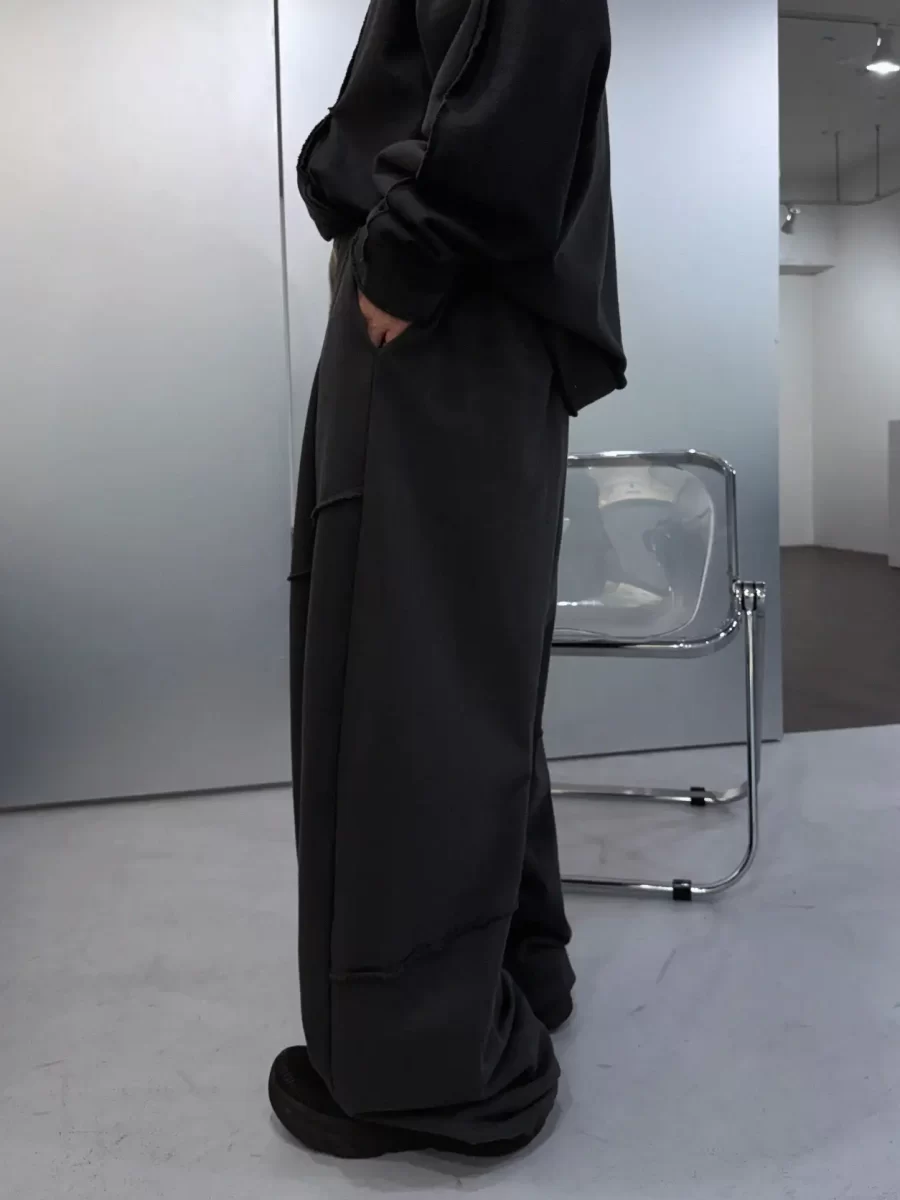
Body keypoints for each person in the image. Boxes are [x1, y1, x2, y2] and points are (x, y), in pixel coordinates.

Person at [269, 0, 627, 1160]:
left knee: (403, 679)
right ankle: (512, 972)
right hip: (475, 322)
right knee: (467, 669)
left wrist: (407, 255)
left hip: (443, 317)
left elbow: (528, 67)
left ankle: (425, 1065)